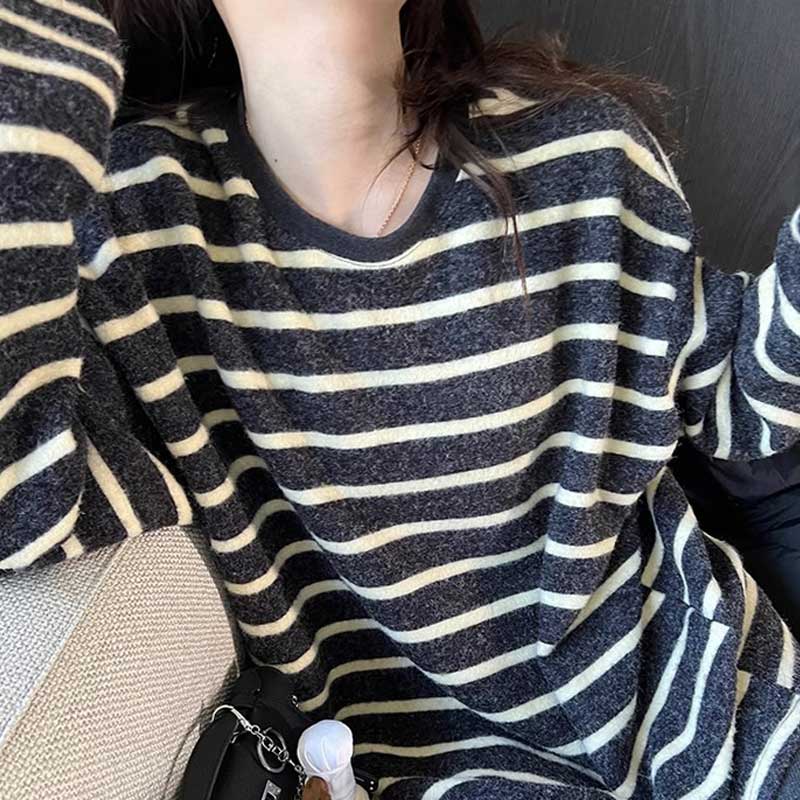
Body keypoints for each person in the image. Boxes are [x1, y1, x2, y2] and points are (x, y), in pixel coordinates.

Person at [1, 0, 798, 797]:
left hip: (709, 715)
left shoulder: (585, 152)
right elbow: (25, 499)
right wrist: (39, 70)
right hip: (395, 771)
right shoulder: (126, 222)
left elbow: (744, 409)